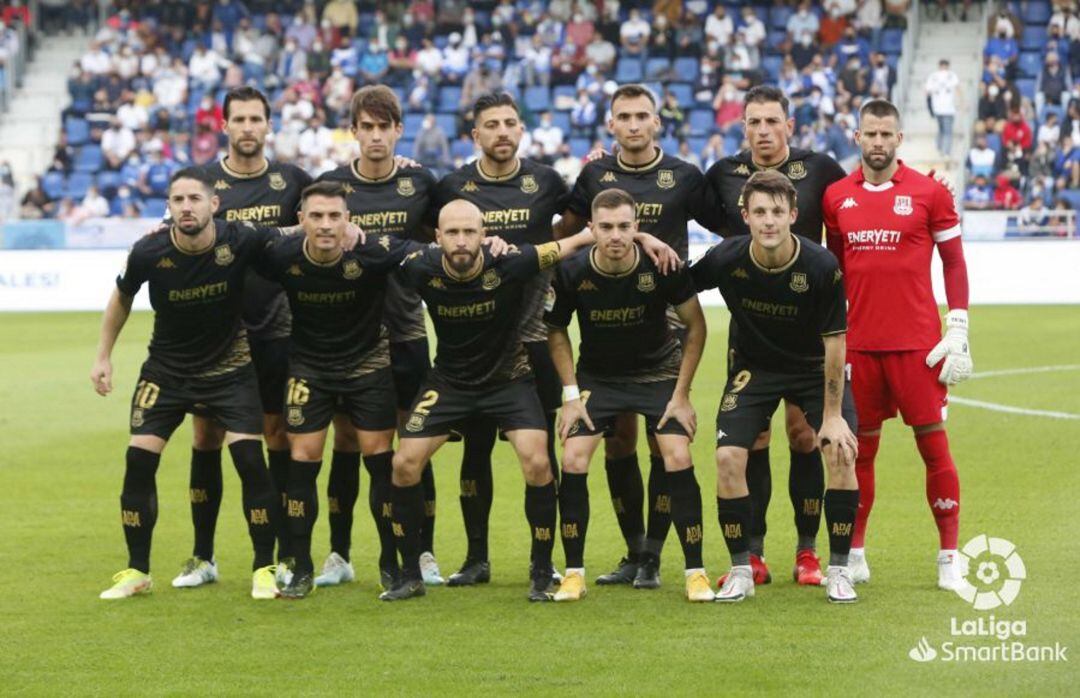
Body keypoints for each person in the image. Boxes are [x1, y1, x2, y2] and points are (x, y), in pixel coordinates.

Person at [381, 199, 597, 601]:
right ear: (438, 237)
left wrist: (634, 233)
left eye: (469, 232)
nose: (461, 241)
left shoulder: (510, 263)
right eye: (452, 233)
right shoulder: (418, 266)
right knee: (404, 462)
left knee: (537, 460)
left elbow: (575, 241)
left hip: (508, 381)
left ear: (484, 235)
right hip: (449, 382)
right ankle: (409, 574)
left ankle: (539, 569)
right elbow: (369, 248)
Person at [91, 169, 285, 600]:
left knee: (251, 462)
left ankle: (263, 568)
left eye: (195, 198)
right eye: (177, 200)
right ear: (169, 206)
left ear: (213, 204)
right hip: (166, 372)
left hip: (230, 370)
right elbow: (121, 297)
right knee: (139, 462)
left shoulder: (240, 239)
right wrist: (103, 355)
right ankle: (137, 570)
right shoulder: (148, 251)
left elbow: (289, 245)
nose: (186, 207)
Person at [555, 83, 712, 590]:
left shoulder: (686, 177)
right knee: (617, 442)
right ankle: (633, 552)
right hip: (605, 327)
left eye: (643, 115)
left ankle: (655, 556)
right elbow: (571, 231)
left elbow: (733, 224)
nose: (634, 124)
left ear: (658, 122)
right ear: (610, 123)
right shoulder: (594, 173)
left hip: (661, 325)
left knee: (660, 442)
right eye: (624, 116)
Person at [691, 170, 860, 604]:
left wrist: (835, 415)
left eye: (778, 212)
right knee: (728, 457)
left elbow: (836, 342)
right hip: (755, 370)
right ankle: (741, 571)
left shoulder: (821, 266)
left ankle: (838, 570)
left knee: (840, 450)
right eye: (760, 212)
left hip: (812, 368)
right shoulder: (726, 258)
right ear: (745, 216)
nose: (769, 221)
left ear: (793, 216)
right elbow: (677, 288)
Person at [823, 98, 970, 591]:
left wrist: (959, 325)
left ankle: (949, 554)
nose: (879, 142)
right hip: (860, 347)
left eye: (887, 134)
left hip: (917, 348)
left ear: (899, 138)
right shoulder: (836, 197)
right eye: (871, 134)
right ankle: (856, 553)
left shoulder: (930, 193)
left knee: (934, 447)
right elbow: (837, 270)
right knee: (857, 454)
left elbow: (953, 261)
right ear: (857, 137)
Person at [704, 85, 847, 588]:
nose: (763, 131)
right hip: (753, 331)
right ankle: (754, 552)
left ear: (789, 124)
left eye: (772, 121)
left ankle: (808, 552)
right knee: (753, 438)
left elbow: (854, 209)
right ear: (742, 127)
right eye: (753, 122)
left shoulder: (822, 168)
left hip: (809, 334)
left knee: (805, 434)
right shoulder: (723, 174)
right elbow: (676, 208)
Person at [430, 93, 573, 587]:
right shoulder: (453, 185)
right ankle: (476, 558)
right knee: (474, 449)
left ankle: (544, 559)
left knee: (539, 451)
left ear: (521, 129)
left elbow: (573, 222)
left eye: (511, 123)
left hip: (534, 334)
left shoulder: (546, 181)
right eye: (491, 125)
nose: (503, 132)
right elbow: (435, 236)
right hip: (474, 336)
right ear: (475, 135)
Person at [253, 182, 421, 599]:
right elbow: (226, 238)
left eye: (334, 216)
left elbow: (431, 254)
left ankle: (391, 563)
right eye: (316, 216)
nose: (326, 225)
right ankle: (301, 565)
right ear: (301, 221)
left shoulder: (374, 251)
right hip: (309, 370)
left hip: (368, 368)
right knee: (302, 460)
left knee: (379, 461)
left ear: (349, 219)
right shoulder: (281, 254)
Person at [174, 87, 312, 592]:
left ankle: (273, 557)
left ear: (269, 126)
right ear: (225, 126)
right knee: (205, 437)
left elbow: (332, 208)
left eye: (257, 119)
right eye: (240, 119)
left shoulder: (293, 181)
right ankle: (202, 556)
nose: (248, 127)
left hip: (275, 330)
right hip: (215, 336)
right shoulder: (202, 183)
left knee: (275, 437)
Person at [315, 85, 443, 589]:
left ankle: (425, 552)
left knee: (414, 442)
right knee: (347, 442)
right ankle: (338, 553)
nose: (374, 136)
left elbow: (447, 237)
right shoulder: (329, 188)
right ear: (354, 132)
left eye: (382, 127)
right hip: (347, 335)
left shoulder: (420, 183)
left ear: (397, 130)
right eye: (365, 127)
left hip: (406, 330)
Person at [925, 59, 960, 158]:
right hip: (948, 109)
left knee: (942, 130)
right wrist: (962, 103)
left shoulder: (933, 76)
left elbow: (927, 92)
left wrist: (930, 106)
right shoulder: (951, 75)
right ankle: (946, 152)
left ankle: (940, 148)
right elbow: (958, 89)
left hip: (938, 108)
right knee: (947, 131)